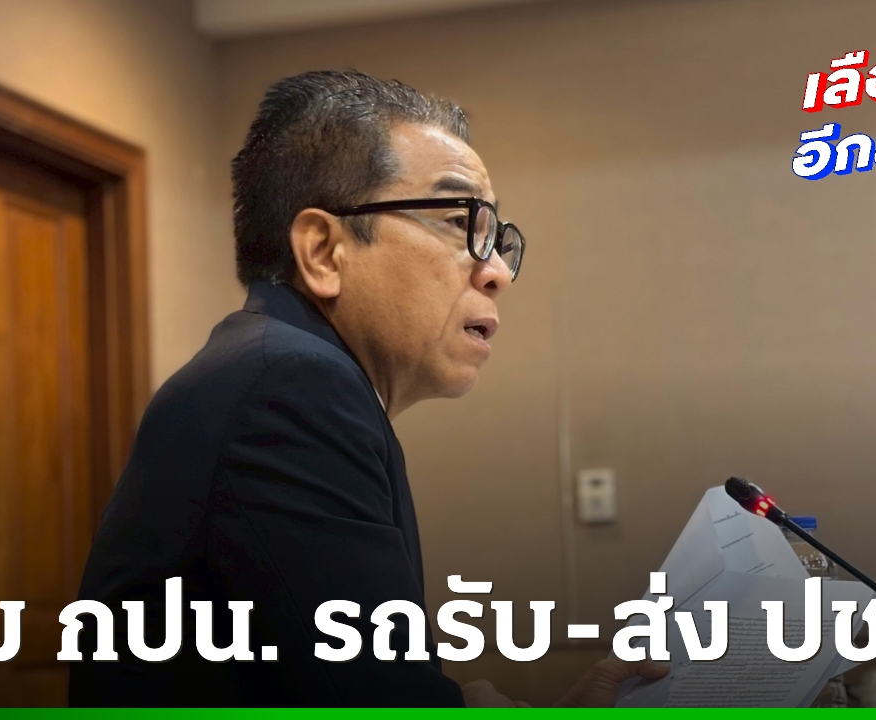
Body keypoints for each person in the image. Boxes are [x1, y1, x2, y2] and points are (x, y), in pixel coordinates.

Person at [70, 70, 666, 707]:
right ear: (324, 252)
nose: (497, 273)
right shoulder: (290, 388)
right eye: (459, 221)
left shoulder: (275, 370)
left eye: (498, 241)